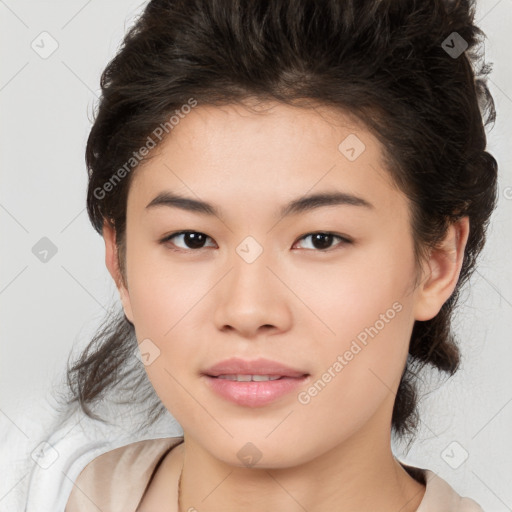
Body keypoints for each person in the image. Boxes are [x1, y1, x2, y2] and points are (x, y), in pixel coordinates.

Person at [33, 0, 500, 510]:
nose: (248, 311)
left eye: (321, 239)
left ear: (437, 262)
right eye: (192, 238)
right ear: (118, 262)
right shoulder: (35, 493)